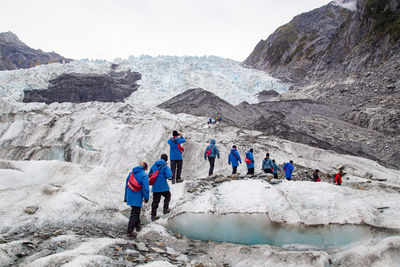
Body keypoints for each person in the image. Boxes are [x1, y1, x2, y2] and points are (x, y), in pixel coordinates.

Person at [124, 161, 149, 238]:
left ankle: (137, 226)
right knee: (135, 213)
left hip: (130, 195)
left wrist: (126, 197)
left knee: (136, 211)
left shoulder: (131, 173)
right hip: (137, 196)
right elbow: (145, 188)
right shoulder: (144, 175)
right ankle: (129, 231)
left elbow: (126, 185)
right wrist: (146, 198)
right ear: (145, 168)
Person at [150, 154, 173, 221]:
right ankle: (165, 209)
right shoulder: (165, 166)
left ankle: (153, 215)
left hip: (155, 186)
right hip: (163, 186)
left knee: (155, 201)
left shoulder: (154, 165)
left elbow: (150, 174)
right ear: (166, 159)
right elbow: (169, 175)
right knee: (168, 195)